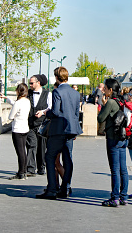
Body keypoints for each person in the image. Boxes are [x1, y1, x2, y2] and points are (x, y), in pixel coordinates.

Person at [36, 67, 82, 200]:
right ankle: (65, 188)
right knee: (68, 159)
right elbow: (75, 113)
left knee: (49, 157)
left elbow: (55, 112)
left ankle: (51, 189)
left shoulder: (57, 91)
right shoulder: (75, 93)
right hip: (71, 129)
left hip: (58, 130)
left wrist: (45, 112)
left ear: (56, 77)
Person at [97, 78, 128, 207]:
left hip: (113, 137)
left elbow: (100, 118)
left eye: (105, 88)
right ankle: (123, 196)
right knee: (123, 169)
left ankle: (115, 197)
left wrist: (104, 105)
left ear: (110, 90)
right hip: (123, 137)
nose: (103, 90)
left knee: (114, 169)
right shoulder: (121, 101)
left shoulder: (110, 102)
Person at [1, 83, 31, 180]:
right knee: (23, 151)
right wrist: (7, 98)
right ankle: (24, 171)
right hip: (25, 128)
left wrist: (14, 116)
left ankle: (21, 172)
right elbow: (16, 105)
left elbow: (10, 116)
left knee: (20, 152)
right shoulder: (27, 101)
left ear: (19, 91)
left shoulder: (18, 103)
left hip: (17, 129)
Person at [27, 74, 52, 176]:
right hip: (30, 124)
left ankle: (41, 167)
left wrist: (42, 112)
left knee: (42, 148)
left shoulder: (48, 94)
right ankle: (30, 168)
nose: (30, 85)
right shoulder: (28, 93)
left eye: (31, 83)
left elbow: (50, 107)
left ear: (38, 83)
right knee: (31, 146)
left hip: (42, 124)